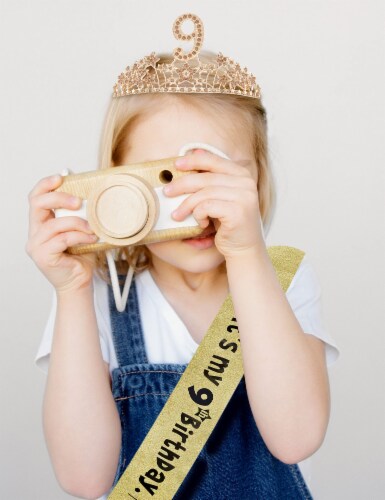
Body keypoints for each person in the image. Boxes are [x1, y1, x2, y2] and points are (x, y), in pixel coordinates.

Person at [28, 13, 339, 500]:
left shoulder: (282, 277)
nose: (195, 210)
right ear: (117, 185)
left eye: (216, 178)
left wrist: (247, 253)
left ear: (256, 177)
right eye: (165, 181)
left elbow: (296, 437)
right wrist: (71, 292)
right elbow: (83, 480)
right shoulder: (97, 298)